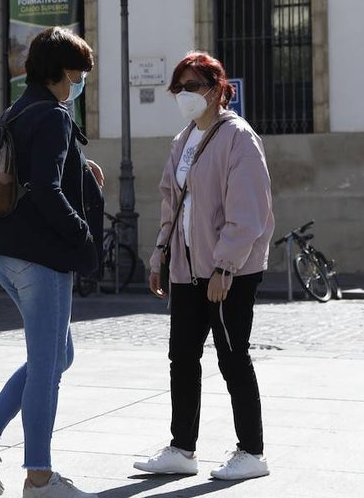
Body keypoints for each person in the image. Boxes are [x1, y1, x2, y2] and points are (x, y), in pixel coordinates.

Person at [0, 26, 103, 498]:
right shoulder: (54, 115)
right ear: (63, 72)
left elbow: (32, 171)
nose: (82, 81)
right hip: (40, 256)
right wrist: (81, 235)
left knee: (58, 356)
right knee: (45, 367)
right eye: (79, 72)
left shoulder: (18, 109)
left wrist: (81, 168)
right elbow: (44, 187)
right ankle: (39, 477)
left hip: (3, 248)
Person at [134, 51, 274, 482]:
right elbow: (171, 204)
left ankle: (252, 452)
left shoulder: (238, 137)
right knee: (182, 357)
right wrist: (160, 255)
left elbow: (248, 211)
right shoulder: (183, 140)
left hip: (229, 272)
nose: (183, 95)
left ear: (216, 89)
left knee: (232, 359)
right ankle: (182, 449)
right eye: (178, 88)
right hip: (187, 268)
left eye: (192, 86)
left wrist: (225, 268)